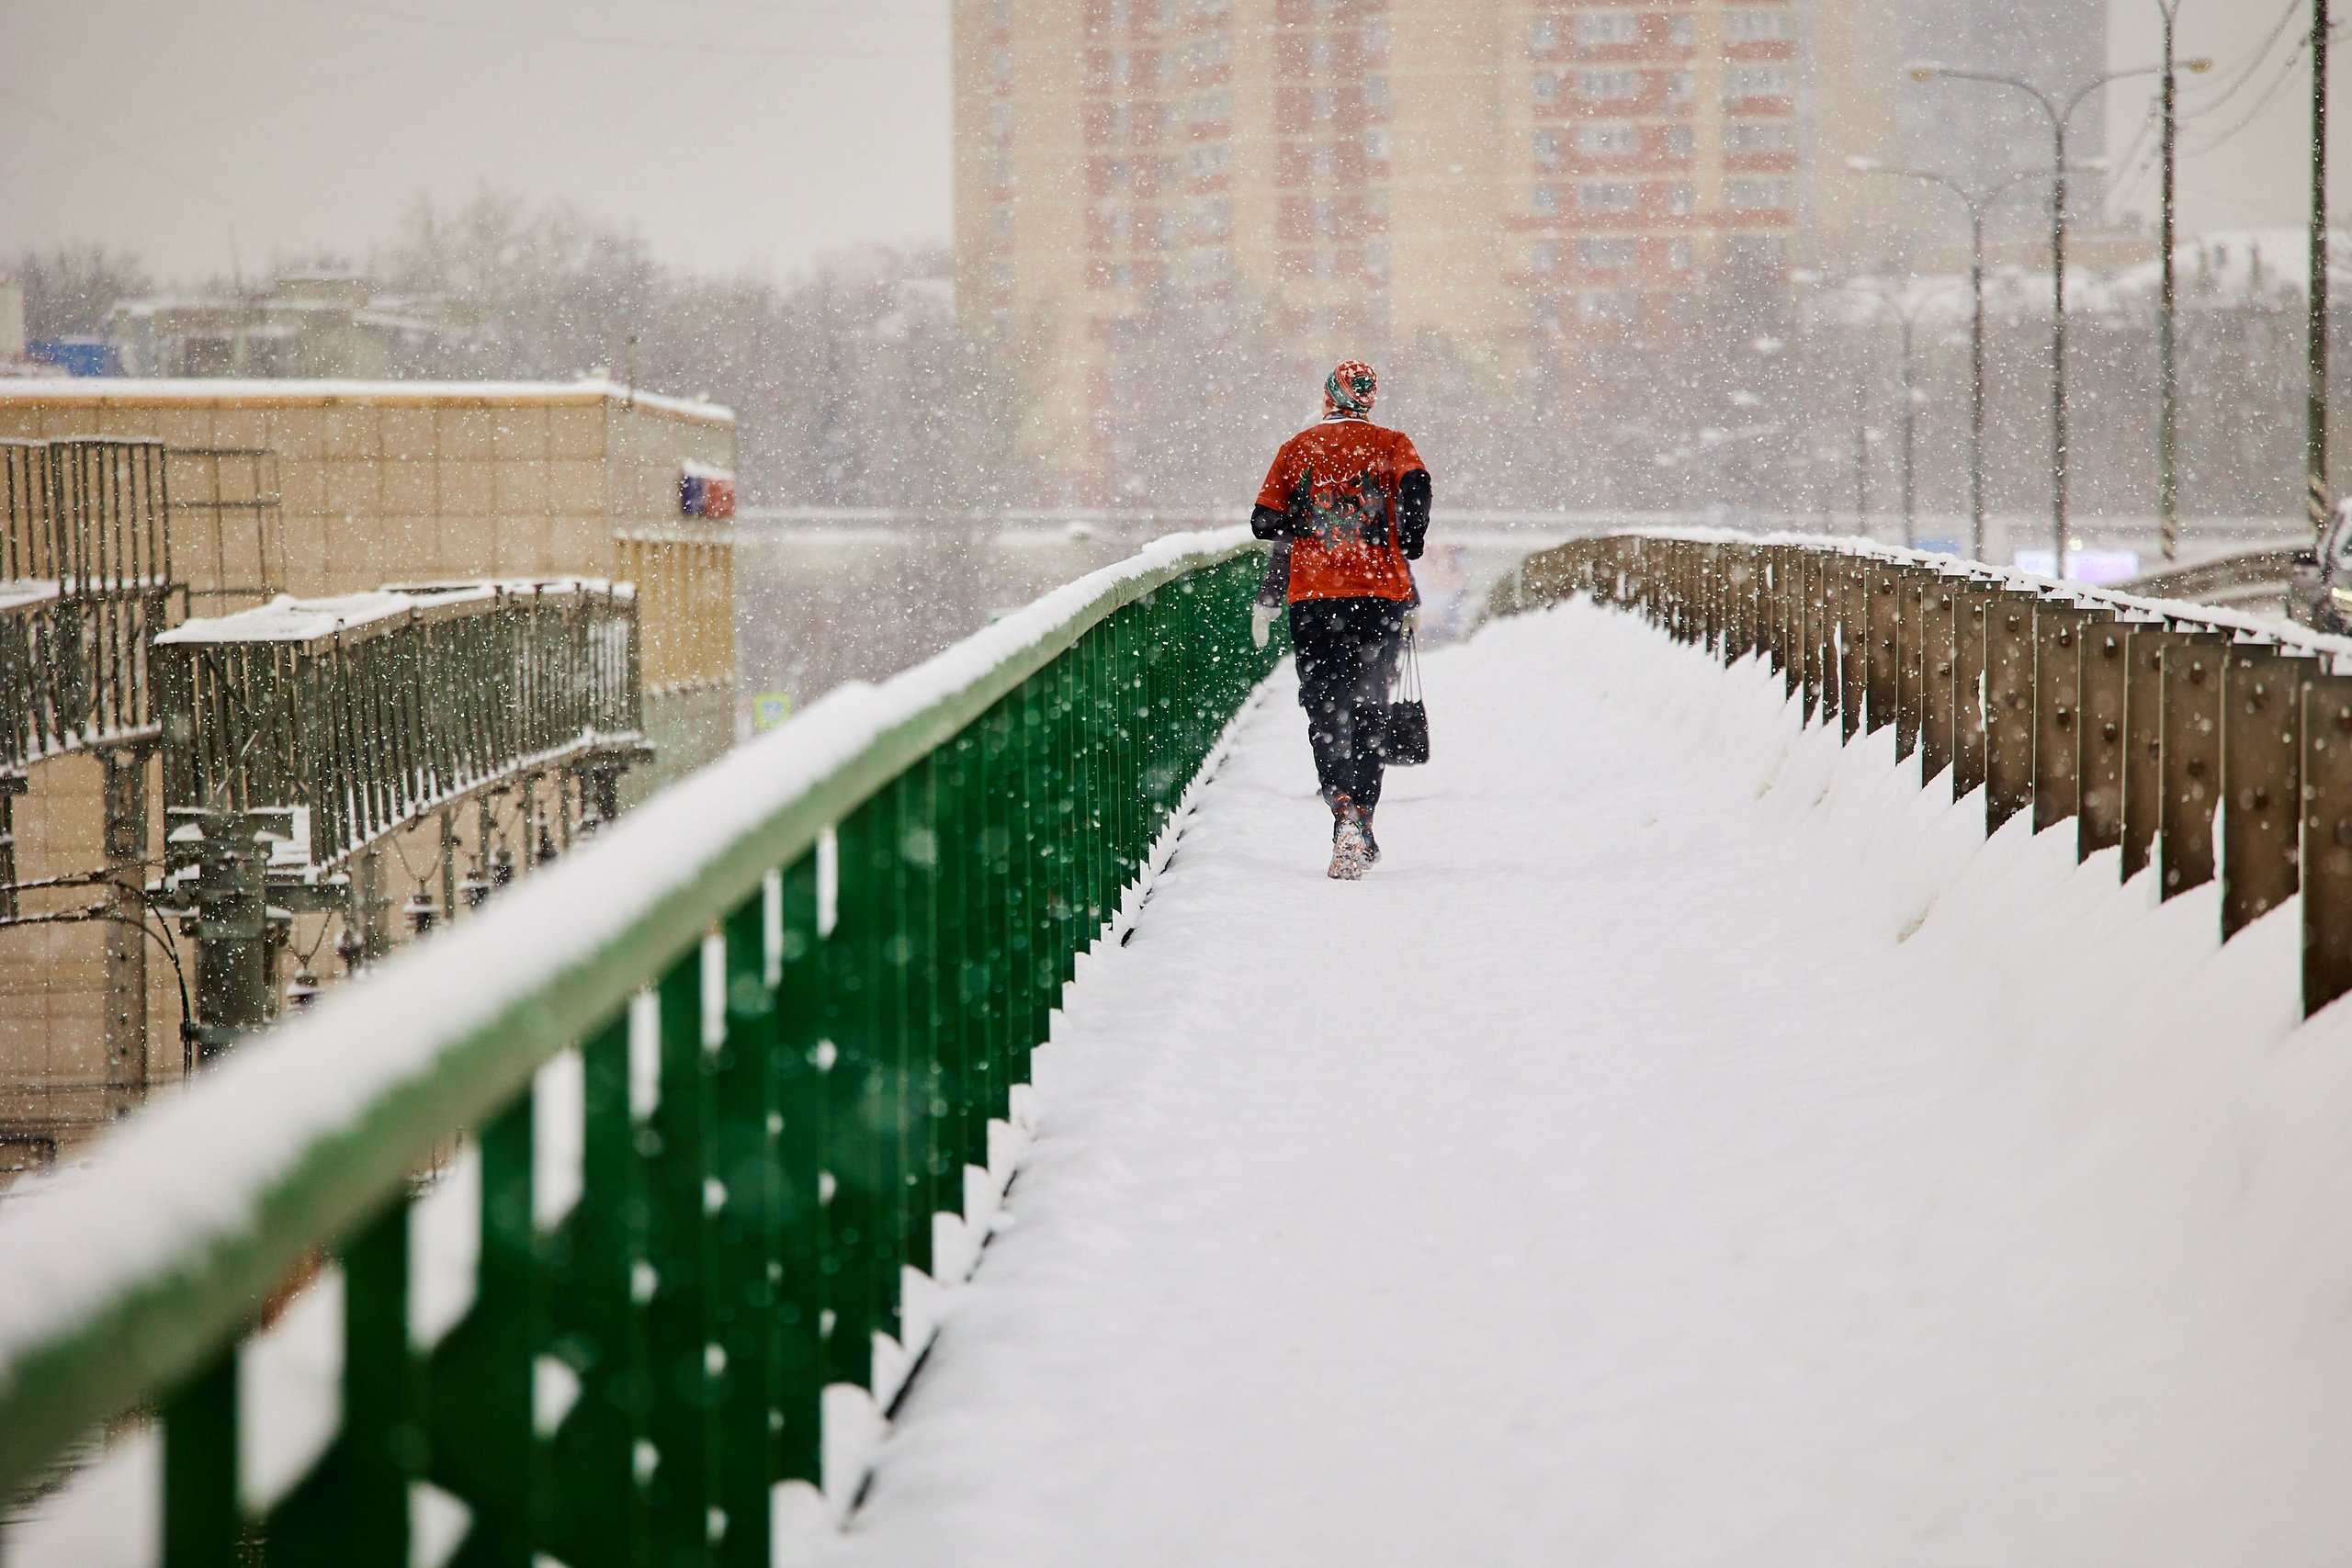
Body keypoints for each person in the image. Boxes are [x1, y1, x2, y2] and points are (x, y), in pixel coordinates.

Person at [1250, 360, 1430, 880]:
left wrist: (1306, 523)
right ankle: (1367, 821)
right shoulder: (1394, 445)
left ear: (1328, 396)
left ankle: (1343, 811)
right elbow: (1418, 488)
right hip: (1381, 595)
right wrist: (1408, 538)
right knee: (1372, 706)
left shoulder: (1297, 449)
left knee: (1326, 708)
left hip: (1315, 598)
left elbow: (1264, 521)